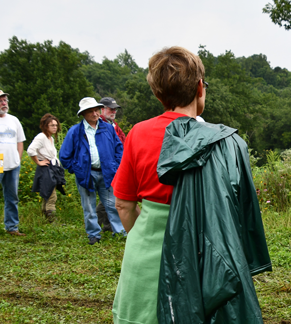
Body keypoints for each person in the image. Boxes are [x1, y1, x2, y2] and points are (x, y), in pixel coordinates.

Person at [111, 46, 271, 324]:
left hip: (147, 257)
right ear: (200, 87)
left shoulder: (138, 132)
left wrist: (149, 238)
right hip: (206, 257)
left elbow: (123, 205)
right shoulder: (222, 141)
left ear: (157, 93)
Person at [59, 97, 125, 245]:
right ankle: (93, 235)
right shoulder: (75, 131)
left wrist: (116, 165)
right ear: (83, 114)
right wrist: (76, 169)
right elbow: (64, 155)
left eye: (97, 110)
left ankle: (119, 232)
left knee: (112, 204)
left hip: (107, 172)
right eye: (90, 111)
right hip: (86, 174)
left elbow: (118, 148)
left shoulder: (107, 128)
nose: (95, 114)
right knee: (88, 206)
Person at [0, 90, 26, 236]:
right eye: (0, 101)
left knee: (12, 197)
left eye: (5, 100)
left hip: (13, 163)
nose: (4, 103)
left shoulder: (14, 120)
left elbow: (20, 141)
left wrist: (18, 159)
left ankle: (12, 227)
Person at [27, 113, 66, 223]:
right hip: (46, 169)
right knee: (51, 195)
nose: (55, 127)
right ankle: (52, 220)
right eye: (51, 125)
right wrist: (38, 162)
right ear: (45, 126)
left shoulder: (50, 138)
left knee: (48, 193)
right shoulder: (41, 137)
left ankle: (45, 219)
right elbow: (30, 150)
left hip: (52, 168)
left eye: (56, 125)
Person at [95, 97, 126, 232]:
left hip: (116, 165)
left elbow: (123, 142)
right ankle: (97, 225)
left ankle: (106, 225)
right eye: (110, 108)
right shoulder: (98, 124)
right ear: (102, 109)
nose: (113, 111)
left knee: (110, 196)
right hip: (105, 166)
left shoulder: (114, 125)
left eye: (115, 109)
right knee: (109, 197)